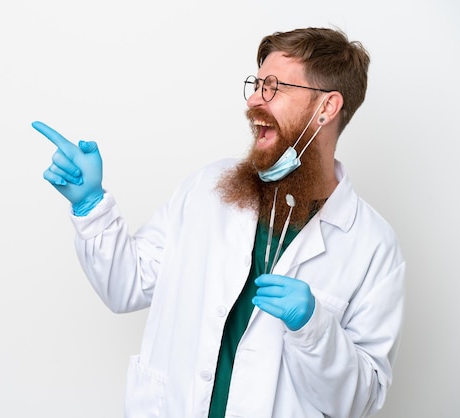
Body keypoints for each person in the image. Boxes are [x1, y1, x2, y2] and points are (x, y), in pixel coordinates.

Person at [32, 27, 405, 418]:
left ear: (326, 108)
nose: (254, 101)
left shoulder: (372, 246)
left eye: (274, 88)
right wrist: (91, 207)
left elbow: (359, 401)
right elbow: (125, 286)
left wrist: (314, 328)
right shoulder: (208, 188)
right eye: (256, 84)